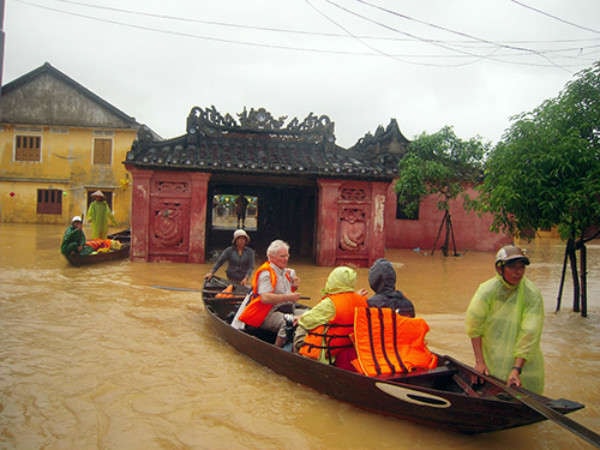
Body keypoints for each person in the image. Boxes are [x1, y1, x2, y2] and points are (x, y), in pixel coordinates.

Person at [465, 245, 545, 394]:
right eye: (513, 267)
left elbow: (529, 333)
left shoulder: (531, 294)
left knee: (524, 395)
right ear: (499, 269)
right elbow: (474, 325)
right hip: (493, 358)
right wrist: (479, 362)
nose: (518, 272)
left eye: (521, 267)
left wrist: (516, 369)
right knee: (495, 391)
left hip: (524, 363)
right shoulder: (487, 291)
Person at [293, 266, 368, 370]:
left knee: (299, 324)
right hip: (344, 346)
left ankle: (294, 359)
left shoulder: (330, 303)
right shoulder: (362, 301)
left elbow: (306, 321)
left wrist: (299, 318)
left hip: (325, 353)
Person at [238, 239, 301, 347]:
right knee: (288, 322)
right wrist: (288, 297)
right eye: (282, 256)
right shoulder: (266, 272)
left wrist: (294, 286)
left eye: (287, 255)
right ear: (271, 257)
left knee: (309, 315)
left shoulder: (285, 272)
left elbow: (286, 291)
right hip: (266, 312)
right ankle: (277, 349)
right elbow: (265, 298)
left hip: (284, 308)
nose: (286, 259)